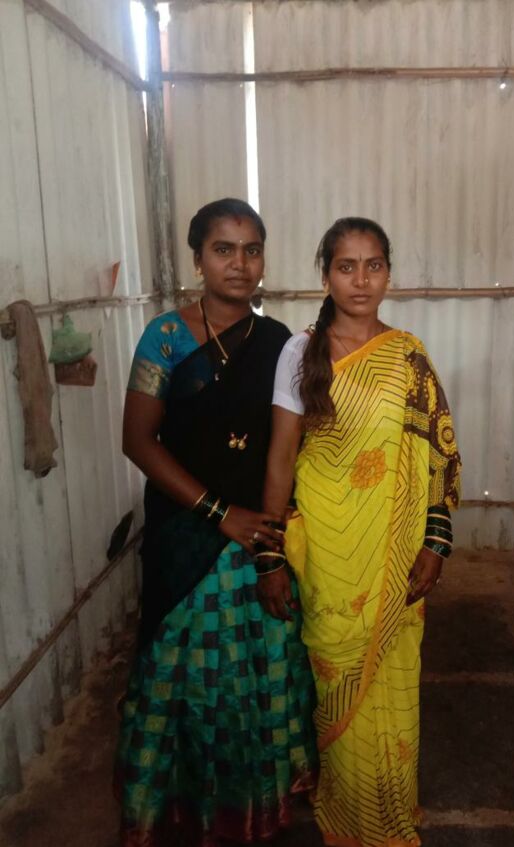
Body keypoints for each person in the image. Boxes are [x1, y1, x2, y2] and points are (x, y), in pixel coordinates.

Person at [115, 198, 317, 846]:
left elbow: (288, 447)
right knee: (184, 679)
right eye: (223, 249)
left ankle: (252, 805)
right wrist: (217, 512)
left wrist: (271, 540)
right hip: (186, 535)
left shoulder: (280, 343)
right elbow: (138, 441)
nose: (240, 263)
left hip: (259, 534)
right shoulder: (165, 338)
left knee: (258, 673)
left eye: (252, 249)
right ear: (197, 258)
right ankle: (180, 808)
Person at [256, 217, 461, 847]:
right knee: (338, 686)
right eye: (347, 266)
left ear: (389, 274)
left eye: (374, 265)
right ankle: (350, 819)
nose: (361, 280)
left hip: (394, 555)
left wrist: (435, 543)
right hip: (329, 558)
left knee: (392, 688)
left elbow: (439, 456)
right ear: (326, 275)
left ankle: (390, 810)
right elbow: (280, 460)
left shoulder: (408, 356)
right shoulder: (300, 353)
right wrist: (269, 558)